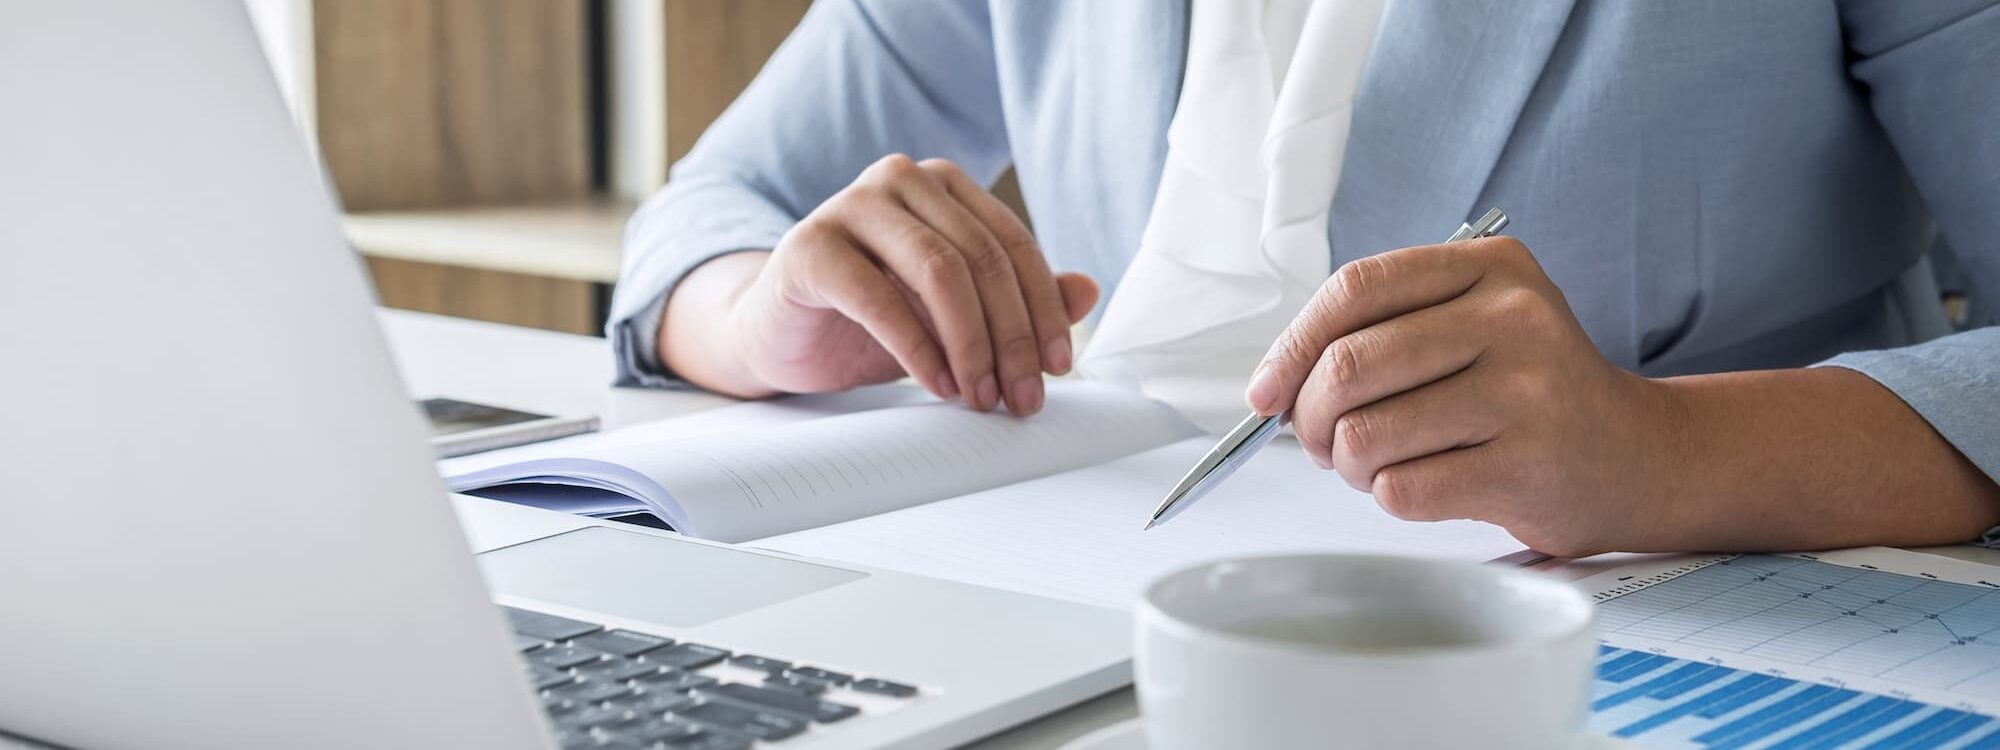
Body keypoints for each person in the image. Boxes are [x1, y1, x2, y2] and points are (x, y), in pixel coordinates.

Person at [607, 0, 2000, 558]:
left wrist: (1662, 454)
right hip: (1120, 621)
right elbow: (705, 217)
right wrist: (770, 309)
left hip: (1670, 632)